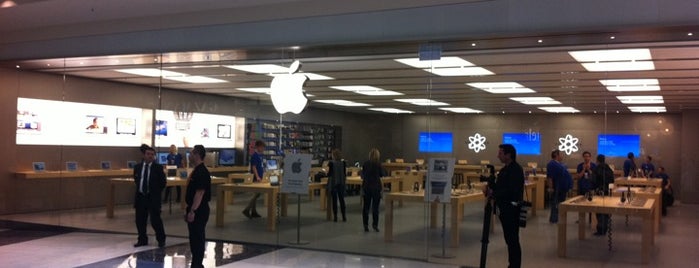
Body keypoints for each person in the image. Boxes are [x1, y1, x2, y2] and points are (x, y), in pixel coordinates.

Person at [486, 144, 524, 268]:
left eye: (501, 153)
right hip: (504, 209)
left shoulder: (516, 170)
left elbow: (511, 190)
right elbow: (500, 187)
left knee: (513, 239)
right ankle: (512, 264)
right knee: (509, 239)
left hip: (511, 210)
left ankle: (514, 265)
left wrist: (495, 193)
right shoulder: (504, 170)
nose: (498, 155)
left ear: (508, 155)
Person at [132, 145, 167, 248]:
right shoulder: (137, 167)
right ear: (144, 155)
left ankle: (161, 239)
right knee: (140, 220)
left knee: (155, 220)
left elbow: (162, 183)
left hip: (153, 198)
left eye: (152, 154)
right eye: (148, 154)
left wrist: (155, 192)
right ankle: (142, 239)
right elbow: (136, 180)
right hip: (141, 197)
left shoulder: (158, 168)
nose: (150, 156)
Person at [185, 145, 212, 268]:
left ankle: (197, 264)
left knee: (198, 237)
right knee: (194, 237)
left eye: (191, 153)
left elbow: (200, 193)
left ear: (197, 155)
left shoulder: (202, 172)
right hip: (195, 208)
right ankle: (196, 263)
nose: (189, 156)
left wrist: (192, 211)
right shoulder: (196, 170)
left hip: (199, 210)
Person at [361, 148, 384, 232]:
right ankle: (375, 225)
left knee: (366, 207)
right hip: (376, 187)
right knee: (375, 207)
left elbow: (362, 175)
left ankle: (365, 225)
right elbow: (381, 175)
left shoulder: (365, 163)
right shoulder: (378, 164)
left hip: (366, 186)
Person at [547, 149, 572, 224]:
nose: (562, 156)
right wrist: (551, 188)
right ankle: (554, 219)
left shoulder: (559, 164)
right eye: (560, 154)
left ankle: (559, 218)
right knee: (555, 203)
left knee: (561, 203)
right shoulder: (552, 164)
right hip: (557, 187)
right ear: (556, 155)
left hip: (562, 187)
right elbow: (550, 177)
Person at [592, 154, 614, 236]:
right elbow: (612, 180)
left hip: (599, 191)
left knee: (599, 210)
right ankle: (605, 227)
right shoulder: (609, 169)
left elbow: (593, 181)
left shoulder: (596, 168)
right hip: (607, 191)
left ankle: (600, 229)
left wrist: (594, 189)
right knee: (605, 210)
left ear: (597, 160)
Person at [243, 140, 265, 219]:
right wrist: (258, 176)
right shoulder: (255, 156)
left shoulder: (259, 156)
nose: (263, 149)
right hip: (256, 178)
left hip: (259, 177)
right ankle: (247, 209)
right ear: (258, 147)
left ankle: (254, 212)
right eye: (262, 147)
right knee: (256, 194)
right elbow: (254, 167)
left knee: (257, 194)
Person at [327, 149, 347, 222]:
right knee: (342, 200)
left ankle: (335, 216)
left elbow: (329, 174)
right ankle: (344, 216)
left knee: (334, 201)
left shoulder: (331, 163)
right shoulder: (343, 163)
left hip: (334, 183)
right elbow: (344, 174)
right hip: (341, 183)